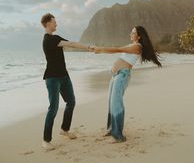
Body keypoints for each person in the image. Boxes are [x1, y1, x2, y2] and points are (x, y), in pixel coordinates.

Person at [92, 25, 162, 143]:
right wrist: (100, 51)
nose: (131, 34)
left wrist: (100, 48)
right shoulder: (132, 45)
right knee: (111, 102)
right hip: (116, 75)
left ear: (139, 36)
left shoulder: (137, 47)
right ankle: (111, 129)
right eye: (131, 32)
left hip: (122, 76)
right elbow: (116, 51)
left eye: (133, 32)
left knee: (116, 103)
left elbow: (118, 49)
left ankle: (118, 135)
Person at [41, 13, 91, 151]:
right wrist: (88, 47)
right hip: (52, 79)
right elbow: (71, 44)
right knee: (53, 108)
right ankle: (46, 140)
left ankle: (64, 129)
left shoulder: (55, 38)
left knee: (71, 102)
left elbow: (71, 44)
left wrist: (87, 47)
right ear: (47, 24)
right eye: (54, 22)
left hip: (64, 76)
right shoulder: (48, 40)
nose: (56, 24)